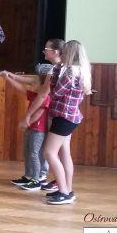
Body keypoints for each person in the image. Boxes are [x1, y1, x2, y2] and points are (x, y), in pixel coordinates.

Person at [29, 40, 91, 205]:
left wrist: (55, 72)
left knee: (49, 152)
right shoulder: (80, 70)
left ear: (69, 53)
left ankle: (64, 192)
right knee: (64, 154)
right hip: (70, 117)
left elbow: (55, 92)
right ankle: (67, 190)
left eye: (64, 52)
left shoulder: (70, 72)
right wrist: (57, 69)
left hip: (64, 117)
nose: (61, 54)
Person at [2, 38, 64, 191]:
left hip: (40, 126)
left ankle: (37, 178)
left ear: (56, 52)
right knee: (30, 152)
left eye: (46, 49)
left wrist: (27, 119)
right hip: (37, 125)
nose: (44, 51)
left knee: (37, 152)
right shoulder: (42, 83)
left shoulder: (49, 83)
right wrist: (9, 77)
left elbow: (41, 105)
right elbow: (25, 86)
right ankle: (31, 176)